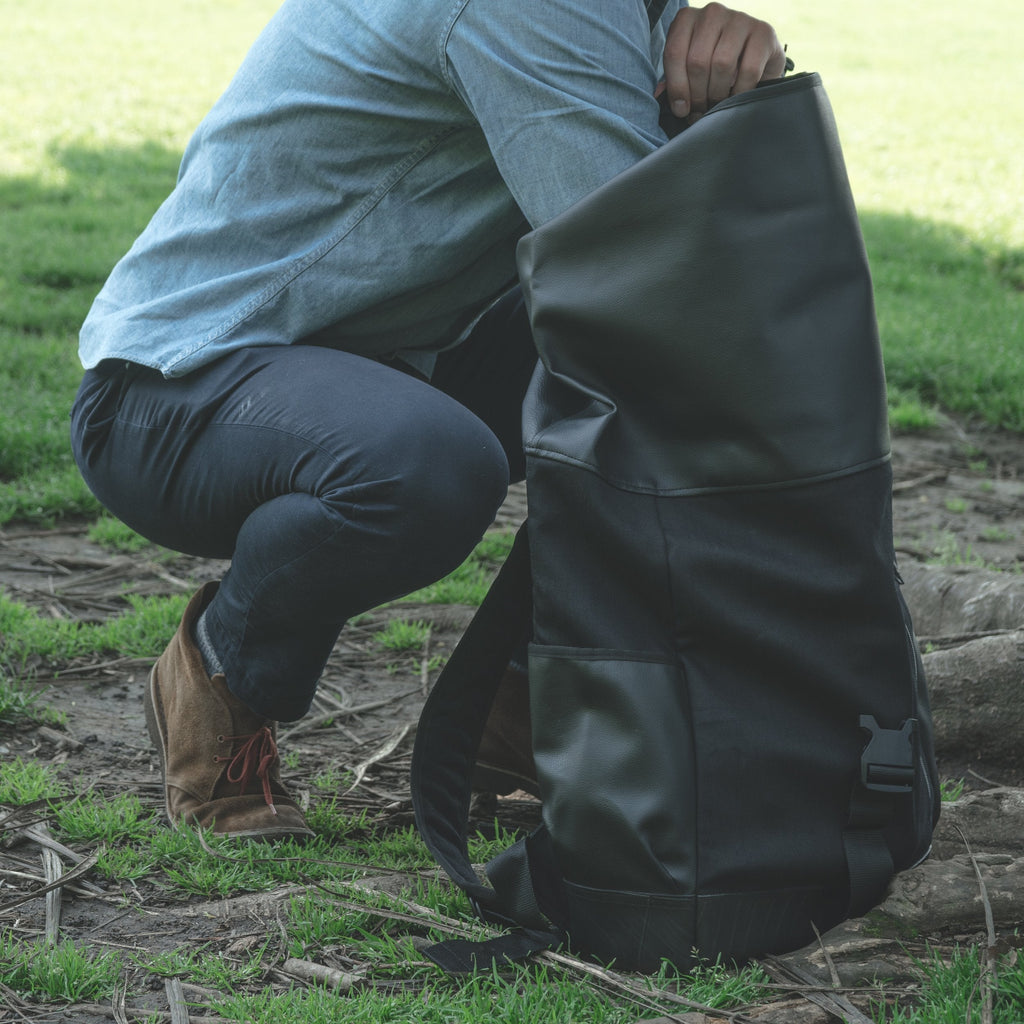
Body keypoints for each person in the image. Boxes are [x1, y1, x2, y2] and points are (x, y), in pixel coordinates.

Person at [70, 0, 786, 839]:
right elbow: (641, 261)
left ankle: (526, 706)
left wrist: (734, 70)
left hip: (390, 359)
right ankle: (225, 674)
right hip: (173, 387)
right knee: (439, 464)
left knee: (672, 376)